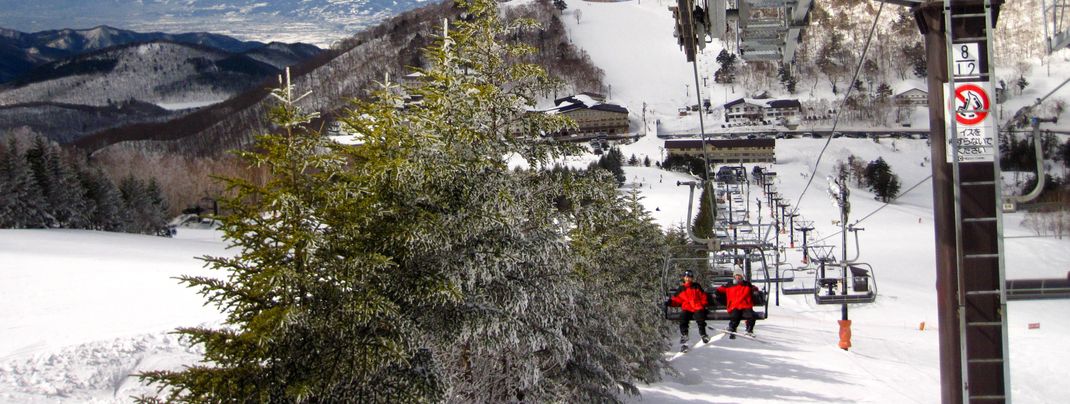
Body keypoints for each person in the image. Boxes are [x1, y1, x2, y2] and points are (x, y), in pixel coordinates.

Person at [668, 270, 711, 348]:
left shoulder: (696, 286)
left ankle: (703, 334)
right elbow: (676, 300)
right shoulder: (681, 288)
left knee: (700, 317)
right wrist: (670, 302)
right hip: (687, 307)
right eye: (686, 277)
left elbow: (703, 296)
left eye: (689, 277)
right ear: (684, 278)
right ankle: (684, 334)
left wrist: (704, 304)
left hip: (697, 306)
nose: (687, 279)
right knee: (683, 317)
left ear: (692, 278)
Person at [716, 271, 757, 339]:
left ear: (742, 276)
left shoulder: (746, 284)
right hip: (734, 306)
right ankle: (732, 328)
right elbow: (720, 289)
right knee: (735, 316)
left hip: (745, 305)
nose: (738, 277)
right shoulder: (729, 285)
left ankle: (749, 329)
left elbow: (754, 288)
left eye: (739, 275)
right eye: (736, 275)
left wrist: (755, 291)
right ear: (734, 276)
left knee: (751, 315)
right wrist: (717, 293)